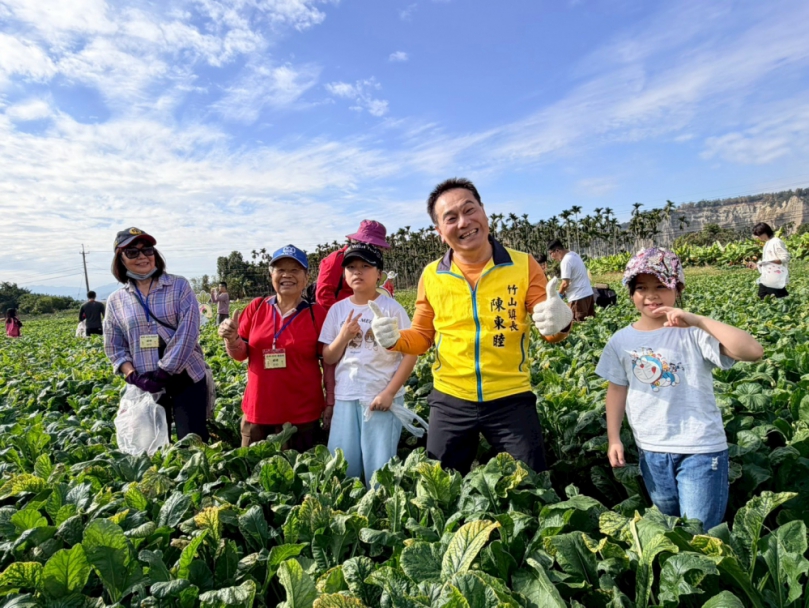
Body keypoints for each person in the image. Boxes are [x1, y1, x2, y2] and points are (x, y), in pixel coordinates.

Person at [370, 178, 573, 475]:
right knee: (441, 487)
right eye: (451, 218)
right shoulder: (432, 275)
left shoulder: (523, 265)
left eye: (469, 210)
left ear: (484, 211)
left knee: (532, 484)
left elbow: (550, 329)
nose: (463, 222)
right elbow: (423, 337)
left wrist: (561, 321)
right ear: (440, 232)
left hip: (510, 397)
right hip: (450, 399)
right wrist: (394, 340)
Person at [597, 248, 763, 530]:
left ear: (678, 288)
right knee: (671, 530)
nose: (651, 295)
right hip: (651, 450)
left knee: (700, 534)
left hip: (700, 449)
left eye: (661, 286)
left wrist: (698, 320)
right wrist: (614, 438)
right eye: (641, 288)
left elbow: (753, 351)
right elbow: (616, 390)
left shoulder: (694, 333)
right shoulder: (621, 340)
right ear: (631, 293)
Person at [218, 245, 335, 450]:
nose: (287, 275)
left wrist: (330, 401)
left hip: (302, 415)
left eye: (294, 270)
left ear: (306, 278)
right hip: (258, 411)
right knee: (252, 467)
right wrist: (232, 339)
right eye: (280, 270)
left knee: (300, 469)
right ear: (271, 275)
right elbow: (240, 354)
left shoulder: (317, 314)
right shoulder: (257, 307)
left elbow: (328, 362)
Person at [319, 242, 417, 485]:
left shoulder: (392, 309)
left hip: (380, 398)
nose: (357, 272)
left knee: (380, 470)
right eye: (351, 267)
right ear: (344, 274)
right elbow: (328, 357)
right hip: (346, 396)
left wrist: (389, 393)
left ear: (379, 274)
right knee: (343, 467)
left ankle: (381, 507)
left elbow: (411, 354)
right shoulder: (338, 310)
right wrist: (343, 337)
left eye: (365, 266)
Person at [104, 227, 209, 442]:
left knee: (192, 442)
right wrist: (132, 375)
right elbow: (114, 346)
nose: (142, 256)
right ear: (120, 259)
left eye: (147, 250)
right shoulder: (116, 300)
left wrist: (165, 370)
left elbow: (188, 332)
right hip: (145, 383)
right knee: (151, 446)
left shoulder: (178, 286)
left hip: (186, 376)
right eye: (132, 252)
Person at [316, 220, 394, 310]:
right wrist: (341, 316)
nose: (379, 250)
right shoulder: (336, 259)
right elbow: (324, 296)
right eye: (376, 246)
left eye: (380, 247)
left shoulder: (372, 262)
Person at [548, 239, 596, 322]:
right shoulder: (574, 254)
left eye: (551, 253)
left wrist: (559, 295)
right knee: (590, 323)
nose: (552, 257)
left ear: (557, 251)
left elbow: (565, 284)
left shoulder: (565, 261)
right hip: (588, 295)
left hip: (578, 299)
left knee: (577, 324)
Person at [749, 222, 791, 299]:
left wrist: (769, 262)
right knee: (762, 297)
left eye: (759, 235)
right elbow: (767, 261)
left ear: (765, 233)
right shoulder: (767, 243)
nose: (758, 237)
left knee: (780, 298)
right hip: (767, 277)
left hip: (775, 277)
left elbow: (785, 258)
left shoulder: (776, 242)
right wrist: (757, 266)